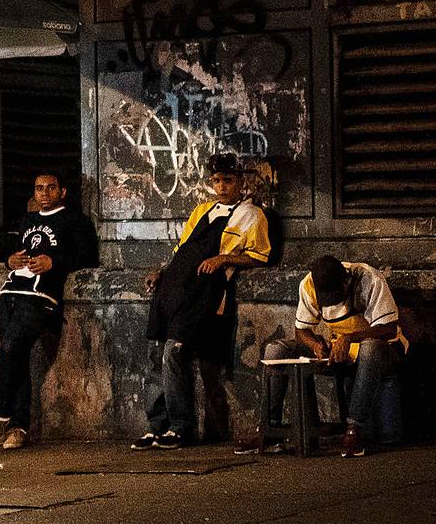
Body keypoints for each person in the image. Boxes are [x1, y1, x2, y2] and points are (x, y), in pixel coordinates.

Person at [132, 152, 271, 451]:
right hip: (174, 287)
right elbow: (181, 251)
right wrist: (161, 272)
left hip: (204, 293)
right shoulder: (201, 211)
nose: (222, 186)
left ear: (240, 181)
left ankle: (181, 427)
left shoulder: (252, 215)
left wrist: (224, 258)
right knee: (156, 353)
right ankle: (158, 426)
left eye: (228, 180)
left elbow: (260, 257)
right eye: (217, 181)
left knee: (175, 352)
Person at [236, 255, 407, 457]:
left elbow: (389, 328)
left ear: (346, 280)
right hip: (339, 350)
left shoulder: (369, 279)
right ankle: (269, 430)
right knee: (276, 349)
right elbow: (301, 330)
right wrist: (315, 344)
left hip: (383, 350)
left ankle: (354, 430)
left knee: (370, 347)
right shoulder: (308, 284)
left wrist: (350, 338)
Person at [0, 170, 97, 450]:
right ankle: (19, 427)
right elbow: (12, 250)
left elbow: (88, 255)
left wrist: (55, 263)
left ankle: (2, 414)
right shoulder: (28, 220)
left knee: (10, 349)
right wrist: (9, 260)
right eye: (39, 189)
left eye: (51, 188)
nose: (44, 194)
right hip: (11, 293)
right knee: (16, 356)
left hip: (40, 296)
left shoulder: (75, 221)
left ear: (63, 192)